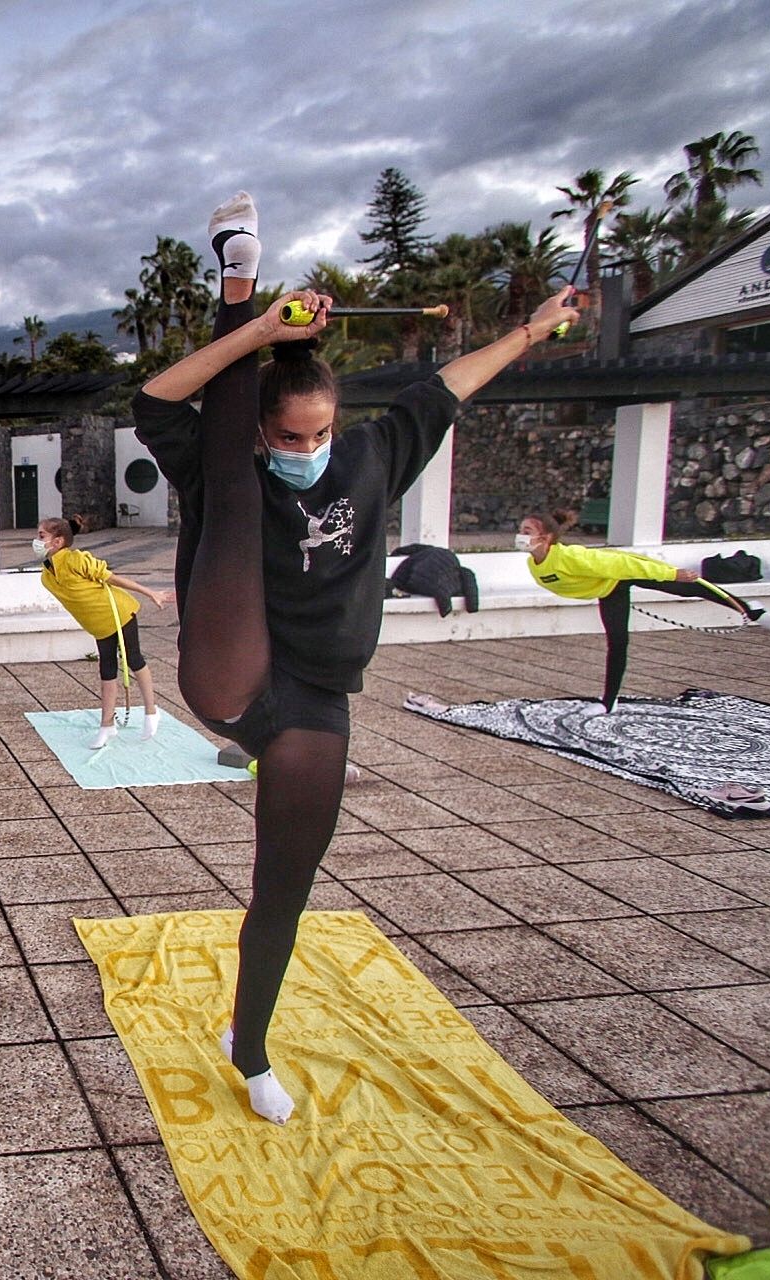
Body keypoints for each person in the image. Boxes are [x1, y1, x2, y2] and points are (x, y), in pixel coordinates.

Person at [134, 190, 581, 1124]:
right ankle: (237, 274)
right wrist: (255, 330)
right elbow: (158, 399)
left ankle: (247, 1046)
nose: (303, 449)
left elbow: (456, 382)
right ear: (264, 427)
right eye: (286, 436)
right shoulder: (241, 454)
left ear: (339, 421)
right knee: (228, 489)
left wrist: (534, 331)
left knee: (283, 889)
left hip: (312, 697)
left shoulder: (375, 455)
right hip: (232, 659)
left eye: (317, 434)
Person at [517, 509, 770, 712]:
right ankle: (608, 702)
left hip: (623, 574)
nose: (521, 535)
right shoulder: (533, 563)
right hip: (609, 590)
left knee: (686, 587)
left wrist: (672, 573)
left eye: (527, 530)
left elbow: (623, 563)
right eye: (521, 530)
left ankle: (749, 609)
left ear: (546, 537)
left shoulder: (571, 556)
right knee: (617, 643)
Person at [33, 515, 174, 748]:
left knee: (134, 660)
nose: (36, 541)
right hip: (100, 625)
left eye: (41, 536)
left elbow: (112, 578)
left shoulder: (75, 560)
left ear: (58, 542)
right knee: (107, 670)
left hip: (119, 613)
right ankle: (107, 725)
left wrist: (151, 593)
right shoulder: (46, 574)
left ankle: (151, 711)